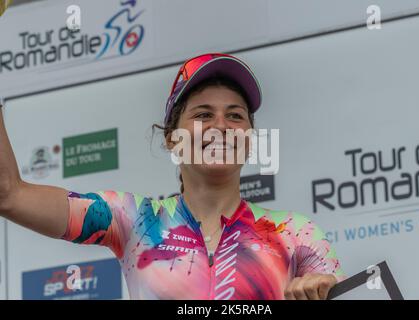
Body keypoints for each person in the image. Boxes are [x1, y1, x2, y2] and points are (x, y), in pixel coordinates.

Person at [0, 53, 345, 300]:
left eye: (236, 115)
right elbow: (8, 194)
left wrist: (322, 291)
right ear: (171, 137)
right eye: (203, 114)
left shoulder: (296, 233)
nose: (221, 126)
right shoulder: (133, 219)